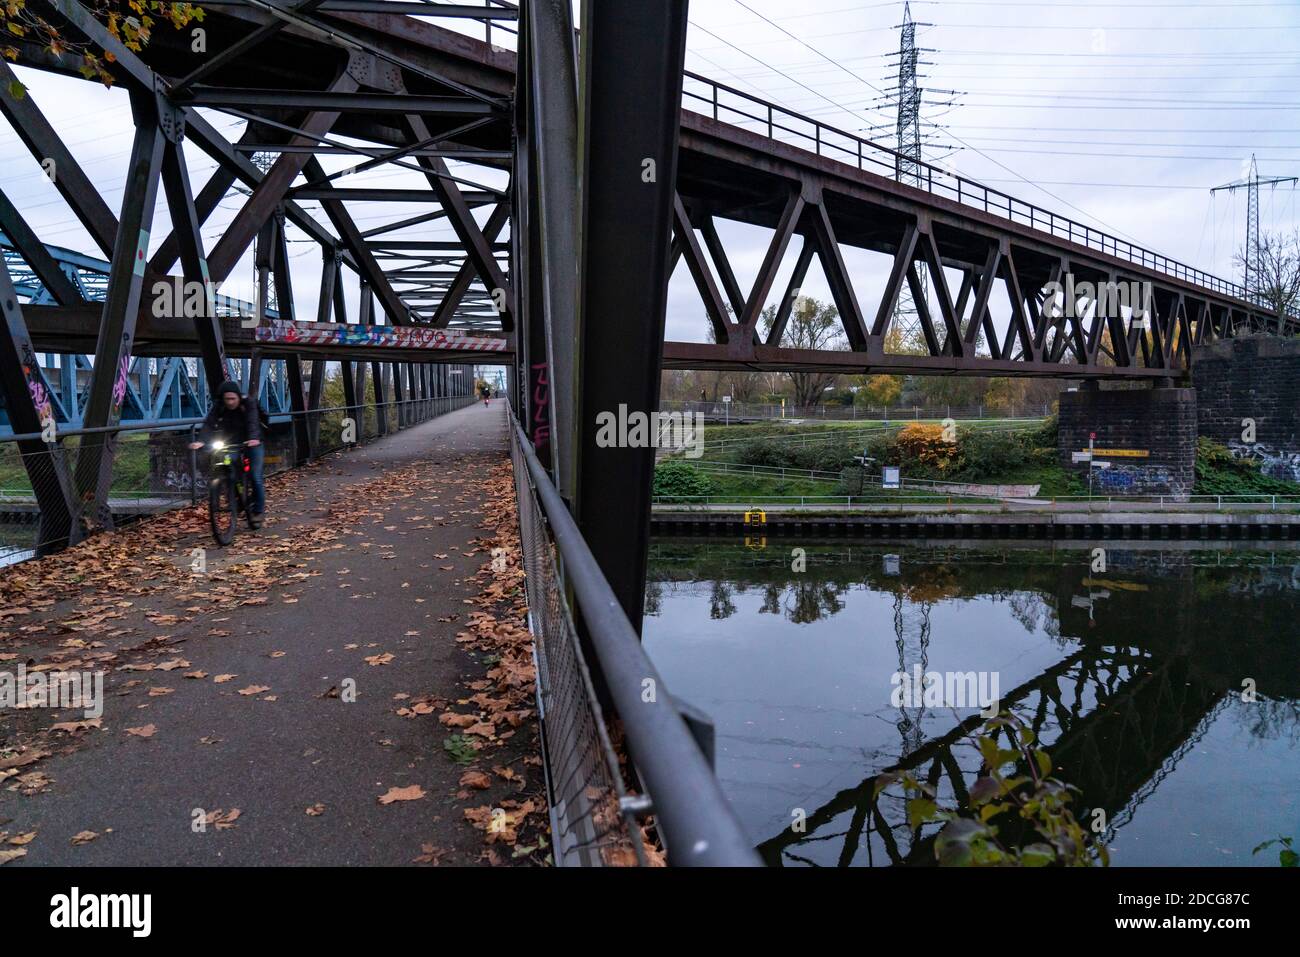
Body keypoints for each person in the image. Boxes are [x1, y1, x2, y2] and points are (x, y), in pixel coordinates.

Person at [190, 380, 265, 528]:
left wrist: (253, 438)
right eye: (227, 399)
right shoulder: (219, 406)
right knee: (228, 466)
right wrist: (201, 441)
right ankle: (235, 495)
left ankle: (258, 511)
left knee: (255, 476)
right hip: (233, 442)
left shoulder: (248, 404)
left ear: (238, 397)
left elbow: (252, 422)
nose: (230, 402)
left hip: (253, 442)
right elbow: (209, 424)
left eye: (233, 398)